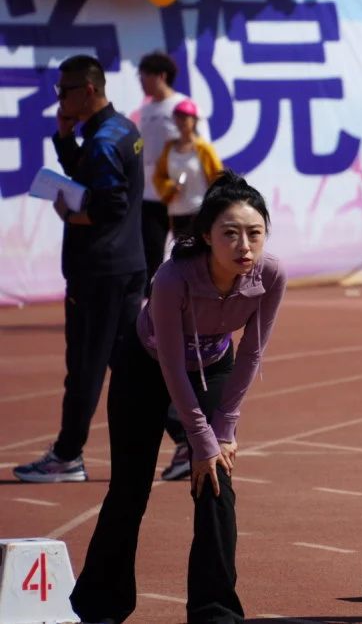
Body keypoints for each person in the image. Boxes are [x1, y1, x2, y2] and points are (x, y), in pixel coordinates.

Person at [70, 171, 287, 624]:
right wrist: (199, 440)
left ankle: (215, 612)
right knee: (130, 488)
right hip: (146, 368)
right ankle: (100, 606)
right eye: (230, 233)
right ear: (207, 236)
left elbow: (251, 353)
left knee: (216, 481)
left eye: (255, 233)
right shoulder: (172, 279)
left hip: (214, 366)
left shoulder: (270, 274)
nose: (244, 246)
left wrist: (223, 432)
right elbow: (170, 364)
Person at [13, 55, 145, 484]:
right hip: (126, 264)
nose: (59, 99)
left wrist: (69, 216)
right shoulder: (121, 128)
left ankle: (68, 455)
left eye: (64, 91)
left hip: (98, 271)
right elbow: (89, 178)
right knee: (130, 362)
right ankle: (187, 439)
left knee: (86, 367)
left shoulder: (104, 141)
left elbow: (109, 206)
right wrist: (65, 138)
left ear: (88, 90)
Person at [136, 51, 186, 297]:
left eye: (144, 75)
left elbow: (197, 148)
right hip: (149, 193)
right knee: (150, 251)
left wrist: (182, 182)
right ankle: (151, 306)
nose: (141, 81)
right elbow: (140, 148)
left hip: (180, 194)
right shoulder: (144, 111)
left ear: (161, 76)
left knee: (185, 251)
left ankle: (188, 301)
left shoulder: (182, 106)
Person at [152, 99, 225, 238]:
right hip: (177, 212)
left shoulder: (204, 149)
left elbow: (218, 177)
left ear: (194, 121)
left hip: (200, 211)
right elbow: (159, 176)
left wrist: (215, 204)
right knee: (182, 249)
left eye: (185, 117)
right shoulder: (169, 148)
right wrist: (170, 187)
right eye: (178, 117)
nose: (181, 121)